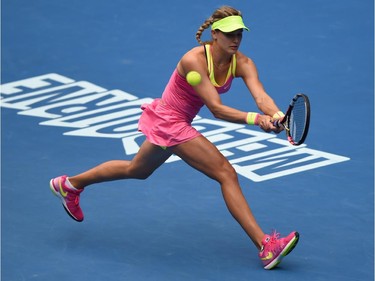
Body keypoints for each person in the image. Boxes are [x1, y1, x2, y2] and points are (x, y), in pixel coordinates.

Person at [49, 6, 299, 270]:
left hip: (174, 122)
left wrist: (276, 115)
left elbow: (261, 97)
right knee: (226, 173)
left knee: (137, 169)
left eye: (239, 33)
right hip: (170, 121)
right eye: (229, 34)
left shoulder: (244, 63)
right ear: (215, 34)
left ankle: (69, 185)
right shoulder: (194, 61)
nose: (235, 39)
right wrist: (256, 119)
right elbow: (216, 109)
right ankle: (265, 246)